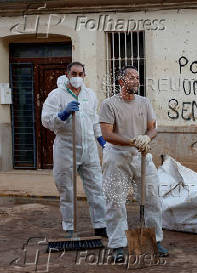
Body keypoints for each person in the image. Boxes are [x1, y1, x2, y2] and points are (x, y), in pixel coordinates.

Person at [99, 65, 168, 262]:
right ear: (121, 81)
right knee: (115, 201)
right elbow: (107, 134)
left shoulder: (144, 103)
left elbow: (152, 128)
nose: (136, 80)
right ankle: (118, 245)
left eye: (137, 77)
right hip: (117, 157)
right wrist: (131, 141)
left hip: (142, 156)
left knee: (152, 198)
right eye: (131, 77)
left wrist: (146, 138)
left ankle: (155, 240)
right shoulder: (109, 104)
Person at [42, 62, 107, 237]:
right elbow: (46, 120)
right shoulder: (56, 95)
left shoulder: (90, 95)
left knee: (96, 187)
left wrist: (101, 140)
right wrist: (62, 114)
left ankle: (101, 225)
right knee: (67, 189)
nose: (77, 77)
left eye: (80, 74)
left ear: (84, 76)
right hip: (66, 149)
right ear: (67, 74)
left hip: (89, 150)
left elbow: (95, 120)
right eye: (74, 73)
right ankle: (70, 228)